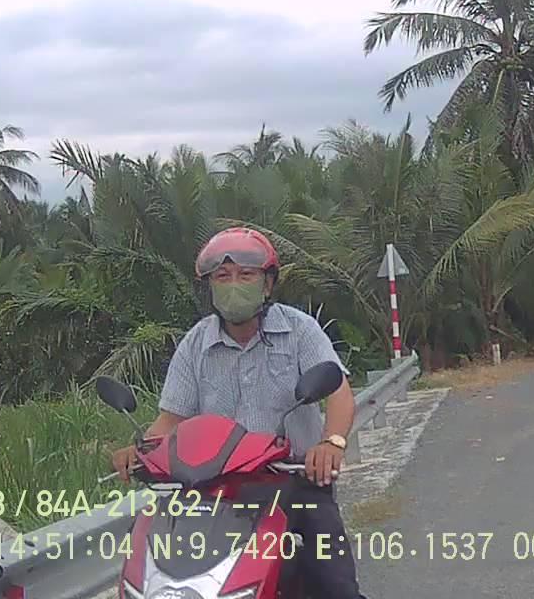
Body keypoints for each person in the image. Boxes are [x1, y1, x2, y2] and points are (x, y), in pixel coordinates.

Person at [111, 226, 364, 599]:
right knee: (157, 564)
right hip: (211, 492)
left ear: (267, 284)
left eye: (246, 275)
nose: (233, 285)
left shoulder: (299, 330)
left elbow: (339, 393)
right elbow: (171, 420)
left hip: (292, 482)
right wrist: (141, 451)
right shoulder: (196, 343)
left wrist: (331, 443)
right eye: (222, 277)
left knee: (334, 583)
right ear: (210, 287)